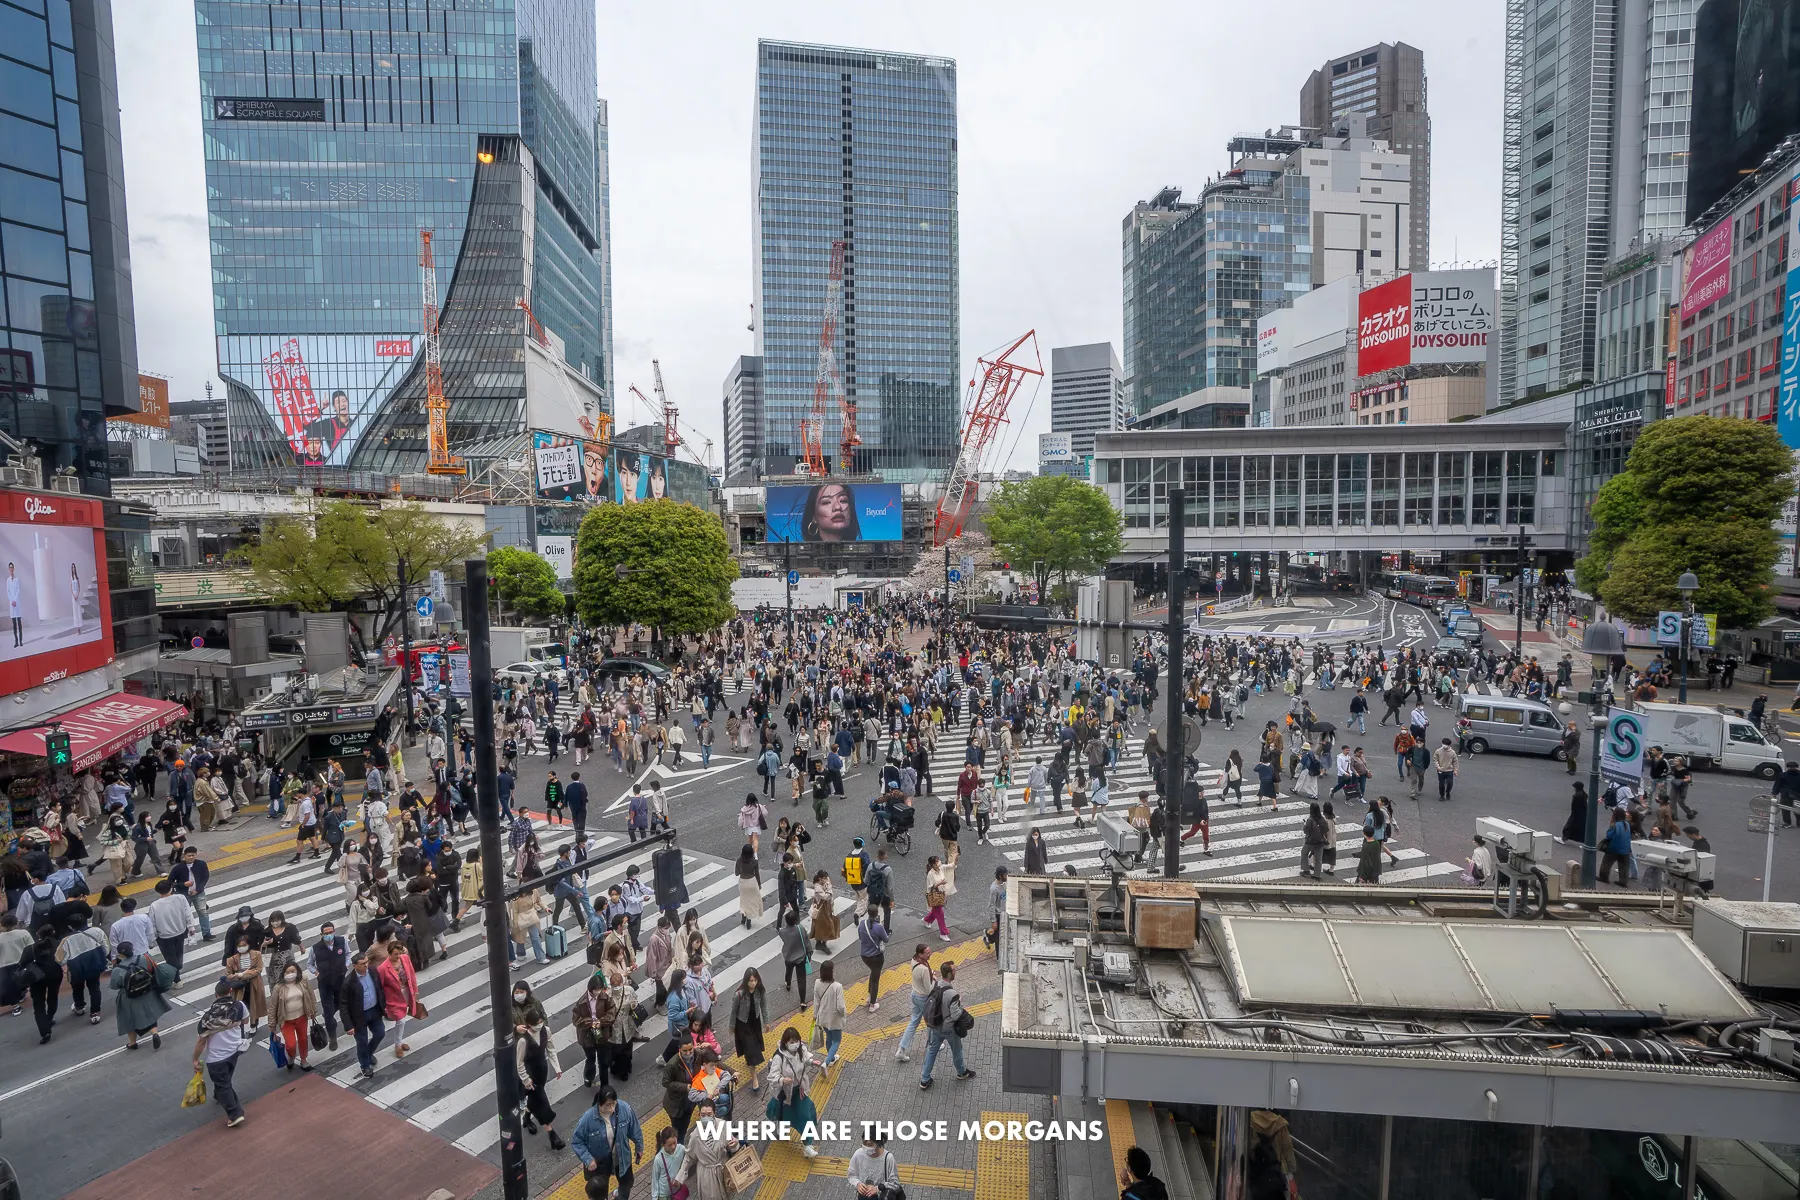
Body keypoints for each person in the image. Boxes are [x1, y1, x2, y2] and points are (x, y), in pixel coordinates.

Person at [513, 984, 568, 1150]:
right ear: (529, 1024)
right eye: (537, 1023)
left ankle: (527, 1117)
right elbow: (519, 1062)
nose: (540, 1024)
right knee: (541, 1101)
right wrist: (525, 1079)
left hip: (542, 1070)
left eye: (541, 1022)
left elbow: (551, 1050)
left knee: (534, 1099)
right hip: (530, 1074)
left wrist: (557, 1068)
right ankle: (552, 1134)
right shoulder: (523, 1040)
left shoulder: (546, 1031)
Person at [194, 981, 252, 1128]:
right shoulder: (240, 1005)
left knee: (223, 1084)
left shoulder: (208, 1017)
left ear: (216, 995)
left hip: (217, 1057)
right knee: (224, 1080)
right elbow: (245, 1020)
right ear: (230, 991)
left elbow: (201, 1041)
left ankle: (235, 1114)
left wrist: (195, 1059)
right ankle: (219, 1094)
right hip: (235, 1050)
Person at [570, 1085, 644, 1200]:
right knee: (600, 1193)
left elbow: (635, 1129)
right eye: (608, 1105)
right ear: (599, 1104)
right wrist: (588, 1160)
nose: (612, 1108)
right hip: (599, 1164)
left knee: (627, 1183)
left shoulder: (624, 1109)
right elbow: (577, 1141)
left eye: (614, 1104)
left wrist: (639, 1147)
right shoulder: (588, 1119)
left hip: (621, 1157)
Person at [766, 1026, 822, 1158]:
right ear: (785, 1042)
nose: (795, 1044)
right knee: (781, 1112)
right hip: (784, 1093)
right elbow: (772, 1076)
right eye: (791, 1042)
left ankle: (807, 1146)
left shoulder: (801, 1049)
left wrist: (812, 1062)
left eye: (796, 1041)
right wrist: (782, 1080)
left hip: (799, 1091)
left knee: (806, 1113)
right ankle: (781, 1126)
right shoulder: (779, 1057)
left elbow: (805, 1059)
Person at [919, 959, 975, 1089]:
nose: (956, 971)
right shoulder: (953, 994)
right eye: (954, 970)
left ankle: (924, 1079)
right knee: (957, 1051)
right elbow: (955, 1015)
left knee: (932, 1051)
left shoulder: (936, 985)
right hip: (949, 1028)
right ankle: (962, 1072)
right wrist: (959, 1003)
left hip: (934, 1026)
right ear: (949, 974)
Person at [109, 939, 170, 1050]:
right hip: (147, 990)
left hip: (129, 996)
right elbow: (153, 969)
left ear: (120, 954)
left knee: (129, 1019)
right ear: (132, 949)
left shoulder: (118, 969)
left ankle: (132, 1043)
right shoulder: (143, 958)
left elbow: (114, 985)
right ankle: (154, 1033)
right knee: (150, 1014)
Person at [673, 1096, 739, 1200]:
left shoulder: (723, 1126)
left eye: (709, 1114)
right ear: (699, 1115)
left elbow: (732, 1147)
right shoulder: (695, 1136)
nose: (706, 1118)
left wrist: (735, 1144)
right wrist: (680, 1178)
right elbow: (689, 1157)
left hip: (723, 1171)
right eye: (703, 1115)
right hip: (706, 1175)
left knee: (727, 1196)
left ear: (714, 1113)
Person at [339, 949, 388, 1078]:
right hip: (359, 1016)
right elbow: (343, 1005)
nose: (365, 965)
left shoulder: (373, 971)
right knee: (361, 1041)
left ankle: (368, 1053)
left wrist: (384, 1006)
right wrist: (348, 1025)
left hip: (375, 1011)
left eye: (366, 962)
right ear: (354, 966)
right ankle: (365, 1066)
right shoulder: (348, 982)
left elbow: (380, 989)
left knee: (380, 1033)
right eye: (362, 964)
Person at [269, 960, 319, 1071]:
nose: (291, 974)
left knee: (303, 1039)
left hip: (302, 1017)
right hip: (286, 1020)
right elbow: (273, 1006)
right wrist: (272, 1024)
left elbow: (311, 995)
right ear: (284, 973)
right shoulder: (278, 988)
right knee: (290, 1044)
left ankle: (303, 1060)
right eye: (288, 972)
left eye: (293, 971)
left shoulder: (303, 981)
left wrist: (313, 1011)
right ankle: (291, 1055)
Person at [21, 926, 62, 1044]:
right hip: (54, 974)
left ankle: (45, 1031)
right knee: (53, 996)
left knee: (38, 1005)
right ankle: (49, 1017)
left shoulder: (30, 949)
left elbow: (22, 963)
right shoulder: (57, 944)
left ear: (38, 935)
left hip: (36, 977)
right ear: (53, 932)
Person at [731, 967, 769, 1090]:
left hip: (755, 1023)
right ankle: (754, 1078)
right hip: (743, 1025)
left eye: (755, 980)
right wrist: (732, 1026)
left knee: (753, 1048)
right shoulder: (739, 994)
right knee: (752, 1050)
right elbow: (733, 1011)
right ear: (746, 980)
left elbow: (763, 1006)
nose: (753, 983)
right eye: (750, 980)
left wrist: (766, 1022)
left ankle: (750, 1061)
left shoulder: (760, 991)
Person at [813, 959, 847, 1067]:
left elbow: (816, 1001)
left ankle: (831, 1058)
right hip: (835, 1018)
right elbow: (841, 1006)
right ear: (831, 971)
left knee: (829, 1037)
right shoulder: (837, 986)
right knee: (836, 1041)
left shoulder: (817, 983)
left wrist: (815, 1015)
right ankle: (827, 1062)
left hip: (822, 1017)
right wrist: (843, 1014)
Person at [849, 1132, 902, 1198]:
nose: (867, 1147)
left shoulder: (888, 1158)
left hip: (881, 1196)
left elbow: (895, 1183)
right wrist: (858, 1184)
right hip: (864, 1196)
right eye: (864, 1143)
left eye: (870, 1144)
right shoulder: (858, 1154)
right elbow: (851, 1175)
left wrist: (877, 1189)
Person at [856, 909, 888, 1012]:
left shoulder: (862, 923)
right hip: (876, 956)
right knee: (875, 979)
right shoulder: (878, 927)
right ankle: (872, 1004)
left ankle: (870, 996)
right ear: (876, 914)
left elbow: (860, 937)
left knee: (873, 973)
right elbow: (886, 939)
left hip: (864, 955)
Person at [647, 1125, 686, 1200]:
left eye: (675, 1143)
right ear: (663, 1144)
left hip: (677, 1189)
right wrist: (654, 1197)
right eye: (669, 1145)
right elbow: (655, 1179)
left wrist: (681, 1179)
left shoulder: (681, 1149)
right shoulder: (658, 1158)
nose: (673, 1147)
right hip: (663, 1194)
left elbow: (686, 1164)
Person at [1599, 809, 1633, 886]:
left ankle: (1604, 878)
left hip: (1614, 848)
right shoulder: (1627, 824)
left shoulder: (1614, 824)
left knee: (1606, 863)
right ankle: (1623, 881)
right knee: (1623, 866)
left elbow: (1609, 836)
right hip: (1625, 848)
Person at [734, 842, 763, 930]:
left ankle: (743, 917)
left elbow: (736, 873)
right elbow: (757, 874)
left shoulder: (739, 861)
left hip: (743, 883)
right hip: (752, 882)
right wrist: (759, 884)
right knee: (752, 901)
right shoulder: (754, 861)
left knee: (744, 901)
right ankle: (749, 920)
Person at [922, 856, 951, 940]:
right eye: (937, 861)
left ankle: (927, 920)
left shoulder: (941, 869)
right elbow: (930, 888)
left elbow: (950, 866)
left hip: (941, 895)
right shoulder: (930, 874)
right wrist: (939, 883)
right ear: (934, 865)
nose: (939, 862)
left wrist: (955, 860)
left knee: (936, 912)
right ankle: (943, 933)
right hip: (935, 897)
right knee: (940, 914)